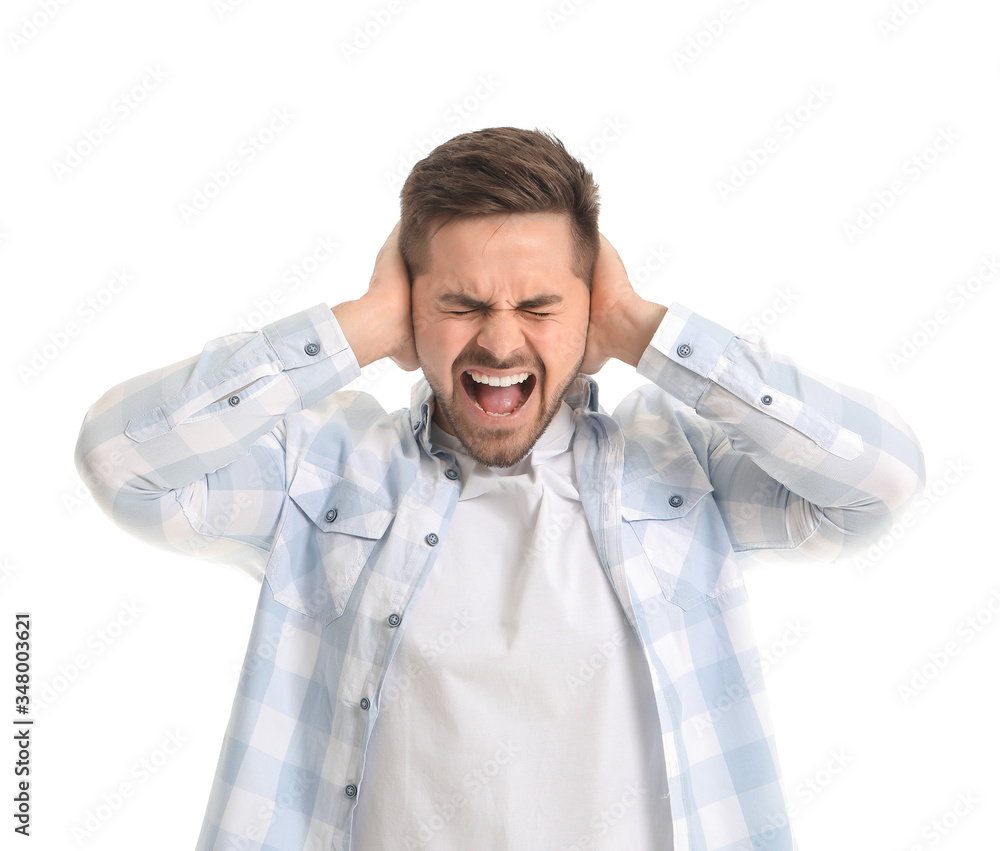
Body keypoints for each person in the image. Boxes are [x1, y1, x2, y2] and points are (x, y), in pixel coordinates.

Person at [74, 126, 925, 851]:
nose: (500, 340)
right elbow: (122, 460)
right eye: (462, 303)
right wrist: (360, 327)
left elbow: (877, 482)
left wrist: (645, 330)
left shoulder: (683, 472)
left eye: (540, 305)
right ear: (413, 308)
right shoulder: (322, 468)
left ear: (588, 310)